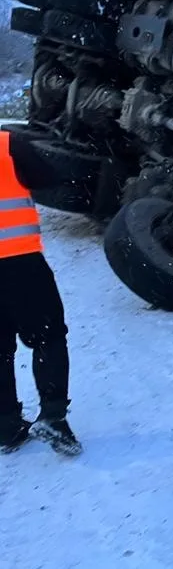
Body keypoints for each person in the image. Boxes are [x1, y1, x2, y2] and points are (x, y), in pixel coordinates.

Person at [0, 130, 80, 455]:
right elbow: (48, 179)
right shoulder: (8, 144)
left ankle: (6, 426)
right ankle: (53, 418)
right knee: (49, 336)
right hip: (19, 262)